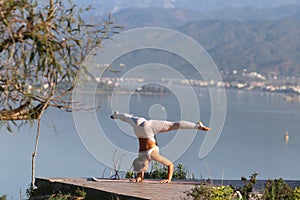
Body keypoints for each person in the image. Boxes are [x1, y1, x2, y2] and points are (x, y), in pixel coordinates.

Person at [110, 111, 211, 183]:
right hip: (141, 128)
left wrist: (168, 179)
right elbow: (168, 165)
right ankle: (116, 115)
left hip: (144, 129)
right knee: (128, 119)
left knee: (171, 125)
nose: (143, 170)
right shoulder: (146, 156)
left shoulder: (149, 156)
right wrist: (139, 178)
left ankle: (197, 126)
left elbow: (169, 165)